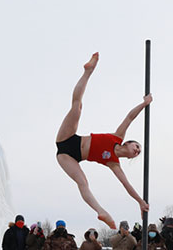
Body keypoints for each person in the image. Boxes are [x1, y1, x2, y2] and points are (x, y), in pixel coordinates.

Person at [55, 52, 151, 229]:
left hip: (67, 157)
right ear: (127, 143)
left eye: (137, 152)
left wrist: (140, 201)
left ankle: (101, 211)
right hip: (68, 138)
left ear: (130, 157)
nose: (137, 150)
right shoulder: (117, 137)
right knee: (77, 108)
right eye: (136, 146)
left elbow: (126, 185)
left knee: (83, 183)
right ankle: (88, 71)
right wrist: (144, 104)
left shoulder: (114, 164)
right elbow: (130, 117)